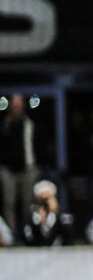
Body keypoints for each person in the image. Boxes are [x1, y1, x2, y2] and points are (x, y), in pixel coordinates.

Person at [0, 94, 37, 233]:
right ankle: (11, 235)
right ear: (10, 106)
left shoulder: (29, 123)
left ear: (23, 106)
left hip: (27, 168)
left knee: (28, 203)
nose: (16, 108)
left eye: (19, 105)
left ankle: (28, 233)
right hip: (8, 170)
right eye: (14, 105)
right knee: (9, 203)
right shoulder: (4, 124)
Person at [22, 180, 75, 247]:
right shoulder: (30, 217)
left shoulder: (63, 215)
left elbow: (69, 235)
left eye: (47, 198)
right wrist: (39, 223)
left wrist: (56, 213)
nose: (45, 203)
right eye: (42, 199)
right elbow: (28, 240)